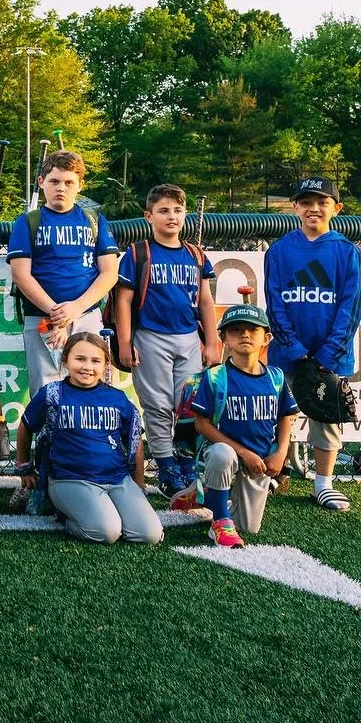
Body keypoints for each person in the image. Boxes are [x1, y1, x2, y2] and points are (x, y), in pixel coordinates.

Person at [112, 183, 221, 500]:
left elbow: (205, 301)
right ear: (149, 216)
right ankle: (166, 469)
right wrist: (124, 342)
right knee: (158, 407)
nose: (171, 216)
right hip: (150, 338)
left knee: (188, 407)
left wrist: (212, 342)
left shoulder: (195, 254)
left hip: (188, 338)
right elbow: (123, 301)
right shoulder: (138, 252)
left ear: (185, 214)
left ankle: (186, 465)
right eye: (163, 211)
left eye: (177, 210)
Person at [263, 176, 361, 511]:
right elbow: (274, 305)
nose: (313, 208)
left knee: (326, 413)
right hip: (289, 354)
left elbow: (351, 309)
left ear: (337, 208)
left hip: (328, 355)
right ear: (295, 206)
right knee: (277, 413)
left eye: (322, 202)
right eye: (306, 202)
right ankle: (275, 471)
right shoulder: (279, 250)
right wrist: (296, 351)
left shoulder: (346, 251)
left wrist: (326, 356)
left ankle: (324, 483)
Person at [16, 331, 162, 546]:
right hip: (70, 478)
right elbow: (25, 427)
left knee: (148, 535)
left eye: (95, 361)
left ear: (105, 365)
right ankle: (66, 516)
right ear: (65, 360)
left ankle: (100, 510)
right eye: (80, 359)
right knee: (106, 533)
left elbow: (135, 443)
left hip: (116, 478)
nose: (87, 367)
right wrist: (25, 467)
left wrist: (138, 485)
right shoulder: (53, 394)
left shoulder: (117, 398)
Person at [6, 150, 119, 395]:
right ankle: (48, 435)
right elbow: (21, 274)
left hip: (86, 315)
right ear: (41, 182)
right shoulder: (28, 221)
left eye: (69, 183)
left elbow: (109, 273)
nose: (61, 188)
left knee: (90, 386)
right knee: (47, 390)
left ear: (80, 185)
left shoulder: (94, 220)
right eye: (54, 181)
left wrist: (76, 308)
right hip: (42, 318)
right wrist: (57, 314)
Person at [186, 305, 298, 548]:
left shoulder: (276, 377)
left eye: (253, 330)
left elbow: (285, 418)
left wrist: (280, 453)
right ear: (223, 337)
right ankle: (219, 520)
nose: (245, 335)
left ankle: (204, 492)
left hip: (259, 460)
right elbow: (201, 424)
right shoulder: (215, 376)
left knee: (248, 527)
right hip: (224, 452)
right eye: (236, 330)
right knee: (222, 454)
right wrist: (243, 452)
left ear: (266, 338)